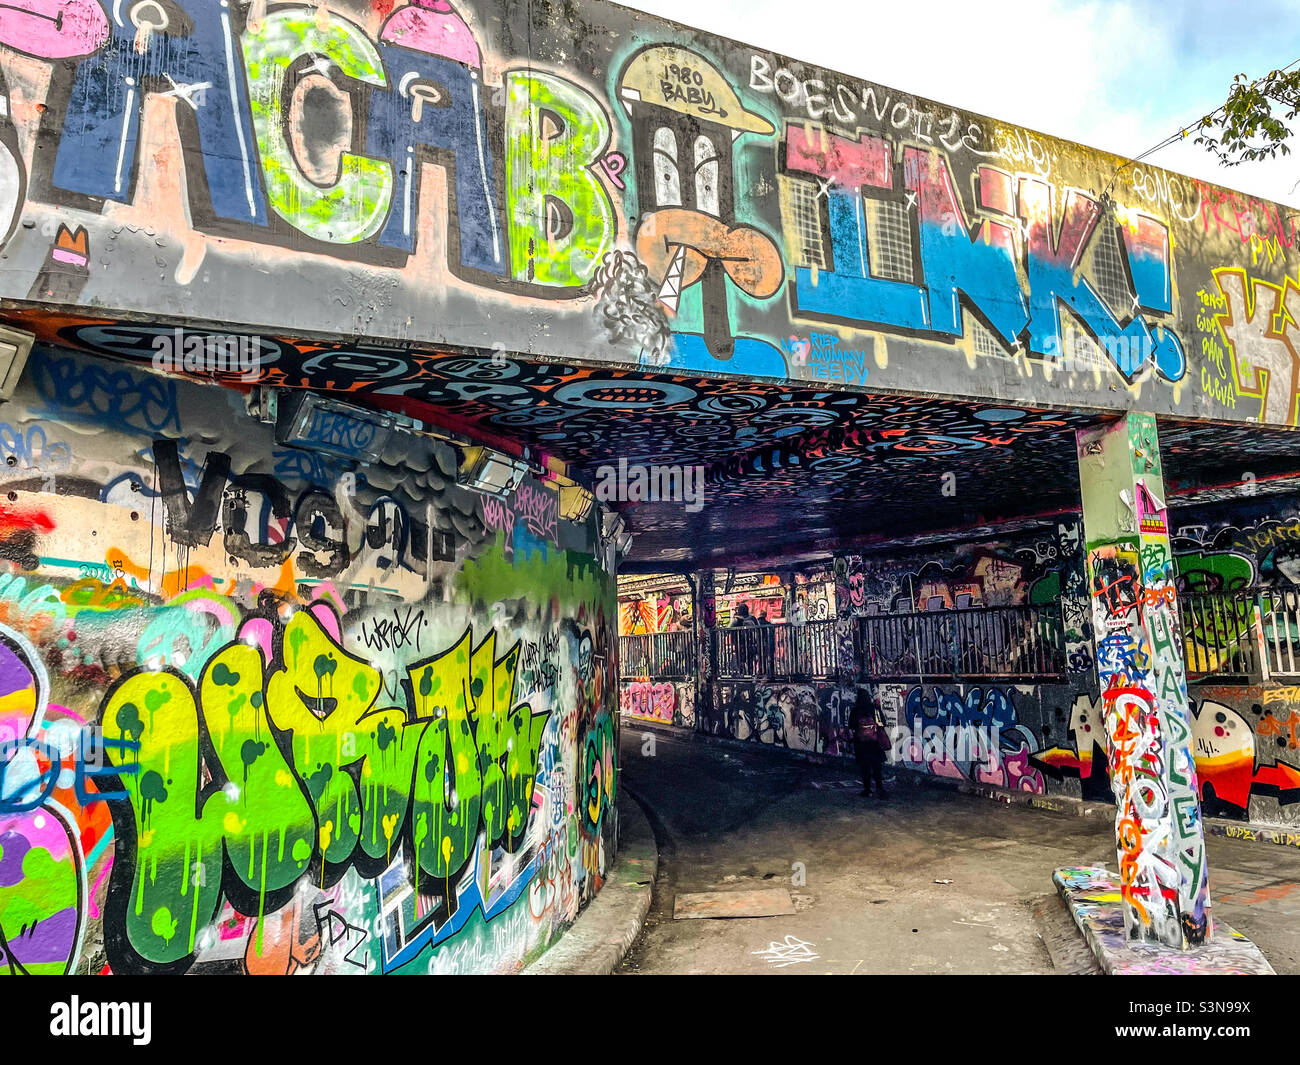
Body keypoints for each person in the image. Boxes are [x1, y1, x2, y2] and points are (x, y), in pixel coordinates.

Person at [849, 687, 888, 799]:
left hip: (861, 743)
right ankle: (880, 789)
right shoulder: (874, 709)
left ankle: (867, 790)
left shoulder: (855, 710)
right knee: (877, 767)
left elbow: (851, 725)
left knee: (864, 768)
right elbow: (883, 723)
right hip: (874, 743)